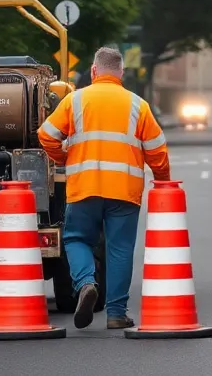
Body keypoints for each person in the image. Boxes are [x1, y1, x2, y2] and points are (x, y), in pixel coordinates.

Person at [38, 47, 171, 330]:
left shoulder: (75, 101)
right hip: (124, 191)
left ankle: (86, 283)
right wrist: (162, 178)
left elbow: (46, 135)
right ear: (121, 73)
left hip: (84, 187)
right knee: (120, 249)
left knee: (76, 240)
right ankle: (116, 314)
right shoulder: (138, 105)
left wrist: (64, 157)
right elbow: (157, 150)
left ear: (94, 71)